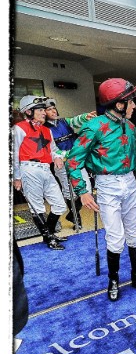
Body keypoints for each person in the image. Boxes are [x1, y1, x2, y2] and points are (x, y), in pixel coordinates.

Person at [65, 78, 136, 302]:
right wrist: (83, 191)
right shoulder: (94, 126)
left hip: (130, 183)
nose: (134, 105)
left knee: (134, 233)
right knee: (115, 237)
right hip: (107, 184)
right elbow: (73, 160)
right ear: (118, 104)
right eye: (130, 101)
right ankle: (113, 281)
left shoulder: (131, 126)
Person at [13, 95, 67, 250]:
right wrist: (17, 177)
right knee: (37, 207)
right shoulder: (19, 128)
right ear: (29, 111)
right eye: (41, 110)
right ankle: (49, 238)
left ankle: (48, 234)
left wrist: (57, 157)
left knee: (59, 204)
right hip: (28, 168)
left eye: (44, 110)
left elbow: (54, 150)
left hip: (46, 169)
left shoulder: (46, 130)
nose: (44, 112)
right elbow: (14, 154)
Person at [44, 98, 96, 230]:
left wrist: (86, 116)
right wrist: (63, 156)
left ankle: (73, 214)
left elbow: (75, 120)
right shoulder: (43, 129)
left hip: (76, 161)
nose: (53, 111)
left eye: (53, 108)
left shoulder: (63, 121)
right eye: (49, 109)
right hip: (60, 164)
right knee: (69, 193)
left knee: (87, 189)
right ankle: (76, 218)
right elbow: (50, 150)